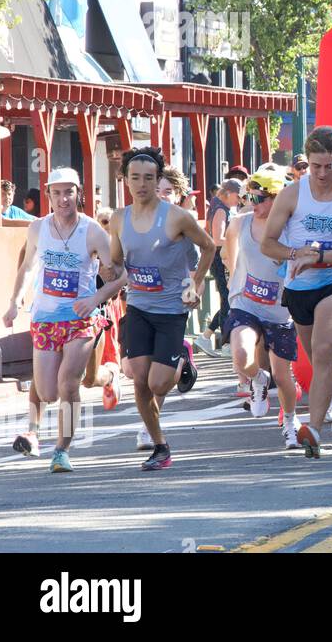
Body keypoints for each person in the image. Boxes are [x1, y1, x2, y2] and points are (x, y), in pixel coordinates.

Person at [2, 168, 125, 472]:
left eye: (68, 192)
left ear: (78, 193)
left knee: (69, 384)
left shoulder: (92, 230)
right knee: (47, 392)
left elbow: (119, 276)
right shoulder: (38, 229)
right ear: (48, 196)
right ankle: (110, 375)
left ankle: (61, 450)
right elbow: (28, 267)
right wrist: (15, 302)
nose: (63, 199)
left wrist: (95, 299)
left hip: (80, 319)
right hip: (44, 318)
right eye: (56, 193)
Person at [261, 126, 332, 459]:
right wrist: (295, 255)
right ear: (307, 162)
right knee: (320, 356)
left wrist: (319, 257)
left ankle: (315, 429)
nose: (322, 173)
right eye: (315, 166)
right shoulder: (293, 194)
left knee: (321, 352)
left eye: (329, 165)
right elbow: (268, 243)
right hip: (298, 288)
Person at [109, 148, 217, 470]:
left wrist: (195, 284)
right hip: (139, 306)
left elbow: (209, 247)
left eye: (149, 178)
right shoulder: (118, 218)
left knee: (158, 383)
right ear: (125, 180)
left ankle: (182, 358)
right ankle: (160, 446)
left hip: (171, 309)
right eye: (135, 177)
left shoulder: (175, 217)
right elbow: (116, 261)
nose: (141, 184)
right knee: (139, 379)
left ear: (158, 181)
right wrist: (107, 273)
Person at [222, 167, 303, 447]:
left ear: (277, 198)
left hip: (281, 310)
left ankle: (291, 422)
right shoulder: (240, 223)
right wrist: (235, 279)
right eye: (249, 198)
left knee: (283, 376)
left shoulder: (292, 228)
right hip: (246, 304)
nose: (252, 205)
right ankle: (257, 379)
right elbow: (227, 249)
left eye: (260, 199)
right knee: (242, 355)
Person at [200, 179, 244, 357]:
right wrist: (239, 240)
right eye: (237, 195)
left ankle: (207, 336)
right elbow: (217, 238)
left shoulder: (220, 207)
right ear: (228, 193)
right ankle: (226, 342)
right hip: (221, 257)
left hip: (221, 256)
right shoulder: (220, 209)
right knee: (228, 298)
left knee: (228, 298)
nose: (239, 199)